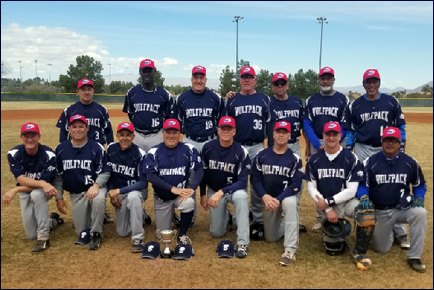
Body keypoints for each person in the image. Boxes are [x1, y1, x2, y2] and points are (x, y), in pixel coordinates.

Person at [345, 69, 409, 249]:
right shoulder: (355, 105)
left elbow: (401, 127)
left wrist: (400, 150)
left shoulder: (391, 101)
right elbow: (350, 131)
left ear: (379, 83)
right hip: (363, 148)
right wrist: (350, 150)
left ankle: (400, 232)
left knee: (393, 186)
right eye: (368, 81)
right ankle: (367, 223)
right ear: (364, 84)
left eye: (374, 81)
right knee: (363, 185)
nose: (371, 85)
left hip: (386, 148)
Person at [305, 122, 374, 270]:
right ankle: (338, 237)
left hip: (346, 202)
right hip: (326, 207)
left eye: (334, 134)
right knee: (333, 249)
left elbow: (351, 190)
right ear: (323, 136)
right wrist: (328, 207)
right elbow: (311, 187)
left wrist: (329, 202)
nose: (331, 137)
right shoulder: (314, 159)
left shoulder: (351, 158)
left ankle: (360, 251)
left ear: (339, 136)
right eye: (328, 134)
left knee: (366, 212)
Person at [358, 127, 427, 272]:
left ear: (399, 143)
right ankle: (392, 232)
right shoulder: (370, 162)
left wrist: (419, 197)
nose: (390, 143)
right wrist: (363, 196)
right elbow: (363, 185)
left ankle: (414, 256)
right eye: (387, 140)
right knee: (381, 249)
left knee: (420, 213)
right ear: (382, 142)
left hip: (403, 208)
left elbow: (419, 185)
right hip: (381, 211)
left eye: (394, 141)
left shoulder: (410, 162)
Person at [172, 65, 225, 227]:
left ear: (206, 80)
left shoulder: (215, 98)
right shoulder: (182, 98)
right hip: (190, 140)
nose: (198, 80)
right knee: (190, 178)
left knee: (216, 174)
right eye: (196, 77)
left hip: (210, 140)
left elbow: (222, 121)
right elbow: (176, 122)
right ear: (191, 79)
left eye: (201, 77)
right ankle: (190, 216)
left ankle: (224, 213)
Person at [56, 78, 114, 224]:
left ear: (93, 91)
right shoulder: (70, 110)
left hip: (96, 148)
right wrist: (65, 149)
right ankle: (84, 209)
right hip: (76, 148)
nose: (86, 92)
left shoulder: (101, 109)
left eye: (89, 89)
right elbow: (63, 132)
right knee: (79, 177)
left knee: (98, 182)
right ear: (78, 92)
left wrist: (111, 148)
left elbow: (108, 130)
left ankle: (101, 212)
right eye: (83, 89)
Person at [2, 122, 65, 252]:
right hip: (28, 190)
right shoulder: (14, 153)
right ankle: (52, 220)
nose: (30, 139)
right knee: (31, 234)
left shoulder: (49, 155)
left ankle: (43, 237)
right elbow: (21, 179)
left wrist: (16, 189)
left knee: (36, 194)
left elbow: (45, 184)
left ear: (39, 136)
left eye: (33, 136)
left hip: (44, 191)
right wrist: (40, 183)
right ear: (21, 137)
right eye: (26, 136)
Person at [54, 114, 111, 250]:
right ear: (69, 129)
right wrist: (59, 198)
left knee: (97, 200)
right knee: (81, 231)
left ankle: (97, 232)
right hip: (76, 193)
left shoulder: (97, 147)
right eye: (74, 127)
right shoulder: (61, 149)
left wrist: (96, 185)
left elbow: (105, 170)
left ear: (87, 128)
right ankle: (91, 217)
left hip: (95, 187)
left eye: (81, 126)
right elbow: (58, 176)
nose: (78, 129)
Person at [303, 67, 349, 232]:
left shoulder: (343, 99)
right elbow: (307, 124)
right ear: (319, 80)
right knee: (319, 179)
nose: (325, 81)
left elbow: (345, 124)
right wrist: (316, 144)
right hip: (318, 142)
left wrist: (335, 141)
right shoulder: (311, 100)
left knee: (338, 177)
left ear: (333, 80)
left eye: (328, 78)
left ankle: (339, 211)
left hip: (337, 140)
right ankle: (320, 216)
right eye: (323, 78)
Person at [251, 121, 304, 266]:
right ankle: (291, 225)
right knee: (271, 237)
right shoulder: (261, 154)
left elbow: (296, 185)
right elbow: (255, 179)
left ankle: (290, 250)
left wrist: (278, 199)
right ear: (273, 134)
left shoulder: (294, 159)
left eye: (284, 132)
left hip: (285, 197)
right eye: (278, 132)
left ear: (289, 135)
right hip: (268, 200)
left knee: (291, 203)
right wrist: (265, 196)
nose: (281, 135)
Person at [144, 119, 203, 245]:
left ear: (179, 133)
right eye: (168, 132)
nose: (171, 136)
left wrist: (192, 188)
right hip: (162, 198)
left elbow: (199, 169)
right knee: (162, 234)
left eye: (174, 132)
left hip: (180, 196)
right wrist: (172, 188)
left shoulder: (189, 149)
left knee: (189, 203)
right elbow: (150, 176)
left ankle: (182, 234)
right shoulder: (154, 151)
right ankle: (172, 215)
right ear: (163, 133)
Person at [225, 66, 270, 227]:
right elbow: (225, 126)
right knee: (238, 181)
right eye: (244, 77)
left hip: (257, 145)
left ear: (255, 80)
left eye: (250, 77)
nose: (247, 80)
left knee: (258, 181)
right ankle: (239, 217)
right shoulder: (232, 99)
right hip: (237, 146)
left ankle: (257, 218)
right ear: (240, 80)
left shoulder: (264, 99)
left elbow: (269, 124)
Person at [200, 116, 250, 258]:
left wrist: (221, 192)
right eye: (223, 129)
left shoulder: (241, 151)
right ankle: (227, 217)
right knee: (216, 233)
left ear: (234, 131)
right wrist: (203, 195)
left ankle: (242, 242)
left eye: (229, 129)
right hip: (214, 190)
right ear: (218, 130)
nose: (226, 131)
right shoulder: (207, 147)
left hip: (233, 190)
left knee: (241, 197)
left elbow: (242, 182)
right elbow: (202, 173)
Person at [268, 72, 309, 232]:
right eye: (276, 83)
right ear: (272, 86)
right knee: (274, 179)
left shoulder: (297, 102)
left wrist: (309, 147)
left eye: (282, 83)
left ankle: (293, 217)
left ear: (287, 85)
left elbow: (303, 125)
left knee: (296, 181)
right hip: (274, 148)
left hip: (293, 146)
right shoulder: (268, 102)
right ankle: (274, 214)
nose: (279, 86)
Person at [106, 122, 149, 253]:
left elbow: (143, 183)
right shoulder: (111, 149)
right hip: (119, 192)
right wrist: (112, 193)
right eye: (122, 135)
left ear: (133, 136)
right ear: (117, 135)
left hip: (137, 191)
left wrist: (119, 191)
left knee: (133, 197)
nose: (125, 138)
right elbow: (108, 174)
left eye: (128, 135)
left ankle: (138, 239)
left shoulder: (140, 153)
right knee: (122, 232)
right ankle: (140, 214)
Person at [123, 59, 173, 152]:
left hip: (156, 135)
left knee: (157, 164)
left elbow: (168, 117)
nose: (147, 74)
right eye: (144, 71)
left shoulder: (164, 94)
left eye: (149, 71)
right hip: (136, 135)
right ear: (140, 72)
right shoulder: (132, 93)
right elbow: (130, 114)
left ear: (154, 72)